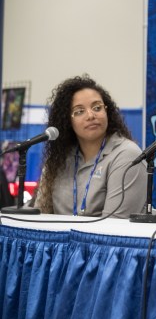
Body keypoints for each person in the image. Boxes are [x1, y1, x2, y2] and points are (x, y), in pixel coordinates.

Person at [34, 75, 146, 218]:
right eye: (79, 111)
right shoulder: (58, 160)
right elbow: (39, 216)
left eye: (97, 107)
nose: (91, 115)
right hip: (59, 240)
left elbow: (114, 229)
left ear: (107, 111)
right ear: (67, 121)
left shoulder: (127, 155)